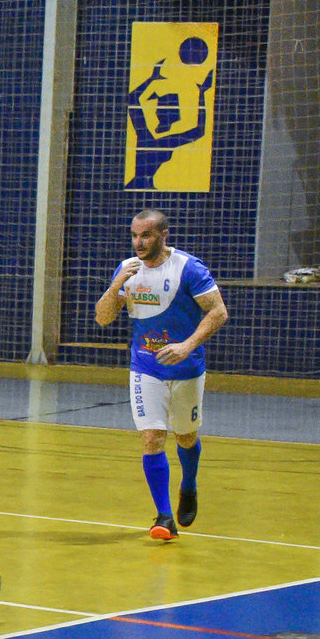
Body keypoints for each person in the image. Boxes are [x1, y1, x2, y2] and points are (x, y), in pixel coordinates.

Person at [93, 209, 229, 540]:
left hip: (186, 367)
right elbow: (103, 318)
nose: (139, 242)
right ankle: (164, 516)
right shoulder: (128, 270)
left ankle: (190, 483)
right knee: (153, 437)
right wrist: (115, 287)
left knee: (185, 436)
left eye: (146, 235)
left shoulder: (188, 268)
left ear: (163, 235)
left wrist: (187, 345)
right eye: (134, 236)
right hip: (145, 367)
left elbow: (218, 312)